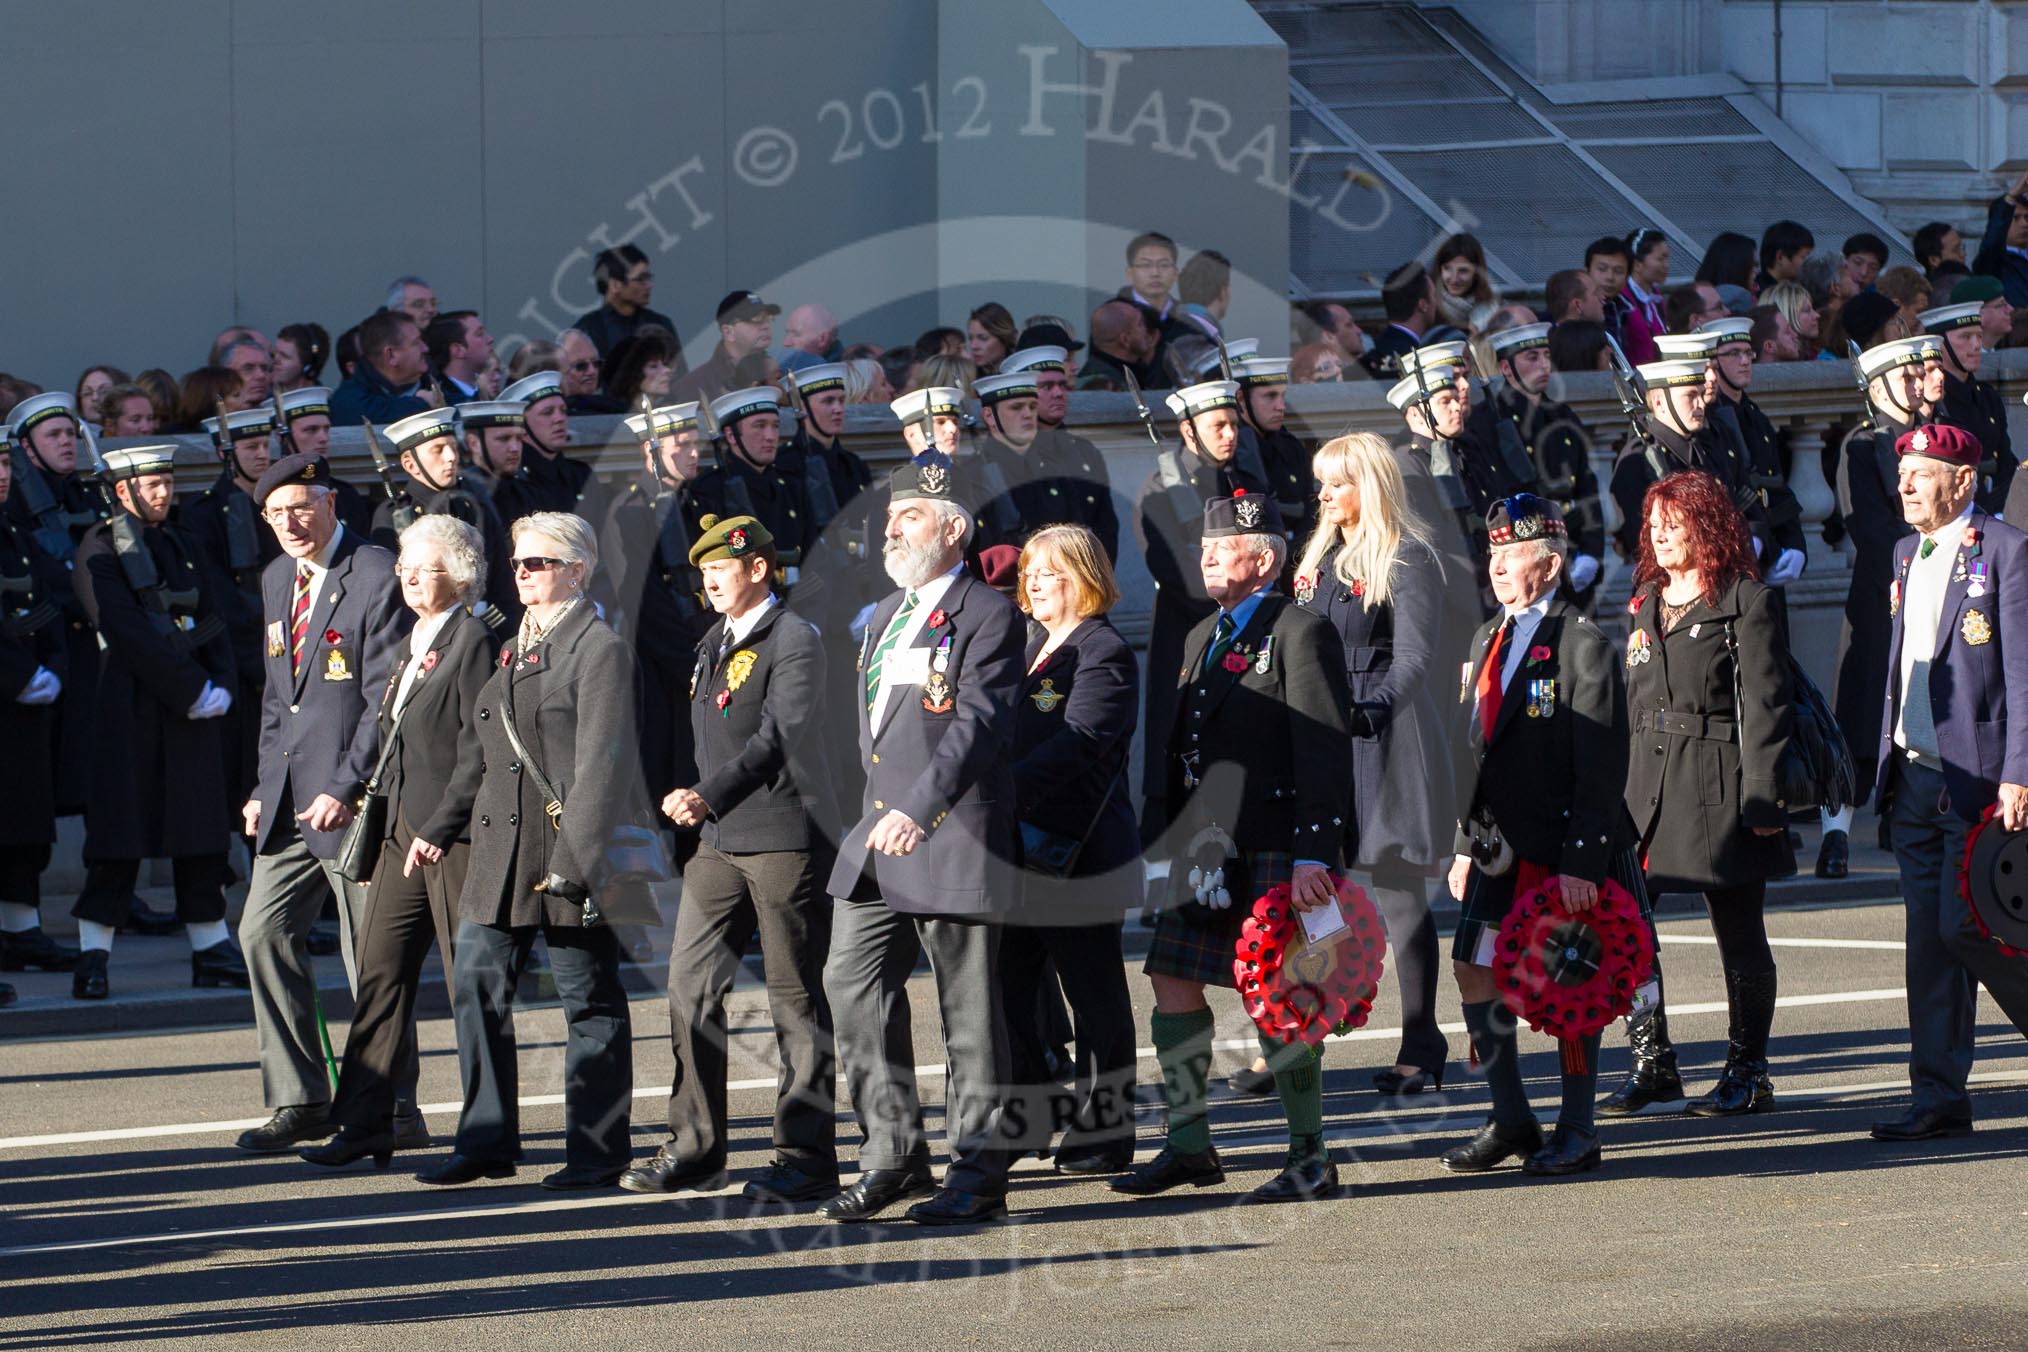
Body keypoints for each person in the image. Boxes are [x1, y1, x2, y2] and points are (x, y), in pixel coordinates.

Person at [1110, 488, 1351, 1202]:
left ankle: (1311, 1154)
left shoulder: (1298, 631)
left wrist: (1315, 853)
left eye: (1223, 546)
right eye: (1205, 546)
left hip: (1274, 842)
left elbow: (1323, 749)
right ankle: (1189, 1146)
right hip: (1204, 850)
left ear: (1266, 556)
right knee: (1172, 981)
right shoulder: (1198, 634)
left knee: (1280, 997)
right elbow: (1176, 750)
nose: (1207, 555)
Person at [411, 512, 649, 1189]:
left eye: (537, 563)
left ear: (577, 569)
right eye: (517, 564)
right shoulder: (518, 640)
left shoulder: (597, 646)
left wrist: (573, 867)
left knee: (589, 1002)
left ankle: (597, 1153)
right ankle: (485, 1140)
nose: (522, 574)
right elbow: (483, 753)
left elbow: (601, 768)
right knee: (475, 987)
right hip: (500, 851)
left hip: (566, 853)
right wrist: (439, 826)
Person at [817, 453, 1026, 1226]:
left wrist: (921, 806)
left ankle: (977, 1172)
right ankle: (891, 1155)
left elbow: (977, 724)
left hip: (950, 835)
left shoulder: (987, 614)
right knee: (851, 982)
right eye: (890, 516)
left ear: (952, 528)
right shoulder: (882, 616)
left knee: (967, 1012)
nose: (890, 529)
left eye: (908, 516)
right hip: (876, 836)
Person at [621, 513, 841, 1203]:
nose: (710, 580)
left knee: (794, 1002)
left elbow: (778, 737)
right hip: (717, 843)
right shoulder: (713, 639)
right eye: (704, 571)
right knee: (690, 987)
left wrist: (703, 795)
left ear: (758, 569)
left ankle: (805, 1157)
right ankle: (694, 1147)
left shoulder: (794, 638)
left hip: (781, 837)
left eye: (723, 568)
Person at [1442, 494, 1643, 1177]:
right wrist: (1464, 844)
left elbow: (1602, 763)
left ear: (1550, 563)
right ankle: (1510, 1117)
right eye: (1492, 552)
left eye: (1512, 553)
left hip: (1563, 846)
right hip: (1498, 843)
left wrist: (1583, 862)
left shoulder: (1582, 641)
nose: (1496, 564)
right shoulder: (1485, 637)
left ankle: (1579, 1129)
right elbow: (1475, 749)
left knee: (1569, 982)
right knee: (1472, 966)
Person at [300, 516, 495, 1169]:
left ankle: (484, 1133)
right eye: (406, 567)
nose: (411, 578)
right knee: (380, 970)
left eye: (427, 567)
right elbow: (389, 739)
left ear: (460, 575)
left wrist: (441, 827)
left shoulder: (474, 639)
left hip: (453, 834)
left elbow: (479, 745)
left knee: (469, 982)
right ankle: (366, 1124)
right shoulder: (416, 637)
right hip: (399, 833)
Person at [234, 454, 410, 1155]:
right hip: (290, 802)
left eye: (301, 507)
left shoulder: (373, 572)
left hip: (355, 798)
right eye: (275, 515)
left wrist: (347, 785)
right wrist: (259, 788)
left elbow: (384, 697)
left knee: (370, 956)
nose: (290, 524)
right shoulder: (278, 579)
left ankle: (391, 1106)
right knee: (261, 932)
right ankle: (301, 1096)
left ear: (330, 502)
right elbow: (279, 700)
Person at [1605, 472, 1795, 1119]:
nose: (1658, 536)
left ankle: (1749, 1072)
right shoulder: (1645, 601)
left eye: (1673, 523)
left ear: (1707, 526)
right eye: (1652, 525)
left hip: (1718, 787)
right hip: (1645, 792)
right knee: (1624, 927)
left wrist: (1765, 799)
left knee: (1738, 933)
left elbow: (1766, 707)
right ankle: (1653, 1063)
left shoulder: (1747, 600)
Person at [1870, 422, 2028, 1141]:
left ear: (1961, 481)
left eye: (1921, 472)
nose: (1904, 485)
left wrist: (2021, 774)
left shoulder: (2007, 551)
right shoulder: (1906, 552)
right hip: (1913, 777)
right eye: (1903, 472)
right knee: (1926, 942)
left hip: (1979, 780)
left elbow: (2024, 677)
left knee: (1968, 926)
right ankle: (1937, 1094)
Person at [1288, 433, 1455, 1097]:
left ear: (1372, 486)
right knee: (1317, 888)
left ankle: (1422, 1043)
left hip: (1384, 733)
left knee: (1397, 893)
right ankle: (1304, 1032)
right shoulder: (1320, 559)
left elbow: (1415, 657)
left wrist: (1370, 711)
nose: (1323, 496)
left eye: (1336, 483)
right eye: (1320, 483)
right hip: (1323, 729)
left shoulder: (1407, 556)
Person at [65, 445, 244, 999]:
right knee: (119, 842)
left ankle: (210, 947)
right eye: (151, 484)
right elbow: (125, 630)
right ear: (122, 492)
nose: (163, 492)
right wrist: (191, 689)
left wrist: (221, 688)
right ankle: (93, 956)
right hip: (128, 712)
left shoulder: (181, 542)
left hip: (191, 712)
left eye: (167, 480)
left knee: (200, 836)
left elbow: (215, 617)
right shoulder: (101, 548)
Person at [994, 524, 1141, 1172]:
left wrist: (997, 787)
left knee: (1095, 995)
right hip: (1020, 850)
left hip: (1079, 854)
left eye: (1047, 572)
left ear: (1082, 577)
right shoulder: (1031, 642)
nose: (1032, 583)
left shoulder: (1102, 648)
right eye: (1029, 572)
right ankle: (1035, 1112)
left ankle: (1106, 1131)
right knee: (1009, 987)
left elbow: (1082, 740)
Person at [1133, 380, 1269, 845]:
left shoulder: (1241, 478)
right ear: (1189, 431)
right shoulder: (1161, 487)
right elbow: (1176, 571)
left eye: (1233, 423)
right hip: (1189, 633)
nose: (1230, 434)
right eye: (1218, 425)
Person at [1829, 337, 1930, 869]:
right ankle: (1837, 834)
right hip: (1880, 595)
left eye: (1918, 377)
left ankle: (1900, 815)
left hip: (1925, 586)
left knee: (1913, 708)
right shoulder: (1864, 445)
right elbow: (1868, 526)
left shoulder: (1923, 440)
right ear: (1879, 385)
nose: (1917, 386)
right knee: (1864, 713)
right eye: (1906, 378)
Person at [598, 401, 714, 856]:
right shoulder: (630, 509)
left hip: (700, 650)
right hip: (664, 663)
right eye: (680, 445)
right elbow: (641, 600)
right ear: (651, 452)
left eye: (694, 444)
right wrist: (695, 657)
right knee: (668, 769)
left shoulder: (697, 499)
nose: (692, 453)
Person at [3, 394, 102, 834]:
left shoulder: (84, 490)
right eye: (54, 435)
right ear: (27, 448)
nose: (67, 443)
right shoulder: (17, 507)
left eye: (70, 434)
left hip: (91, 651)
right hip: (49, 654)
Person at [183, 407, 281, 838]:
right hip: (238, 663)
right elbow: (218, 595)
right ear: (227, 453)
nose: (263, 455)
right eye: (251, 447)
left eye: (267, 445)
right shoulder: (204, 515)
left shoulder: (279, 505)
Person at [1466, 322, 1606, 606]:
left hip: (1570, 551)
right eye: (1532, 358)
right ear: (1506, 368)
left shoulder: (1563, 416)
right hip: (1522, 559)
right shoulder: (1486, 422)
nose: (1544, 365)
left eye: (1546, 355)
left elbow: (1587, 487)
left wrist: (1591, 553)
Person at [0, 441, 70, 992]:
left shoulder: (14, 534)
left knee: (24, 823)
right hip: (9, 693)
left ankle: (20, 928)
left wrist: (49, 668)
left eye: (4, 465)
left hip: (25, 710)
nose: (2, 476)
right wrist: (19, 675)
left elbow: (49, 601)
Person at [1700, 316, 1809, 589]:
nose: (1745, 361)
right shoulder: (1709, 422)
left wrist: (1795, 546)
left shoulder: (1755, 418)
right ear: (1712, 363)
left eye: (1748, 352)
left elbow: (1777, 487)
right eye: (1733, 354)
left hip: (1769, 555)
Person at [694, 386, 818, 582]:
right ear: (731, 435)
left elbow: (814, 550)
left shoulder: (791, 484)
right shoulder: (710, 489)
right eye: (759, 426)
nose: (770, 436)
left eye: (775, 426)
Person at [1921, 284, 2016, 513]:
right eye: (1965, 337)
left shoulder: (1987, 396)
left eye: (1979, 336)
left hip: (1997, 506)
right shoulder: (1933, 400)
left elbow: (2005, 461)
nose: (1976, 345)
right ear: (1939, 344)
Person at [1233, 354, 1314, 552]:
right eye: (1270, 396)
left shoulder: (1290, 446)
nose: (1281, 406)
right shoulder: (1231, 450)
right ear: (1241, 399)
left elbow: (1310, 507)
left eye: (1282, 395)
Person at [499, 371, 599, 520]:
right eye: (547, 412)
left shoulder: (581, 475)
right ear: (521, 426)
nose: (559, 418)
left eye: (563, 411)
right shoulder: (512, 485)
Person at [573, 244, 682, 362]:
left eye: (648, 277)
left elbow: (681, 376)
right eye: (640, 279)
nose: (649, 285)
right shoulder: (586, 331)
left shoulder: (661, 324)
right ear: (615, 285)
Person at [671, 291, 781, 406]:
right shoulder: (693, 387)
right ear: (728, 332)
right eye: (756, 319)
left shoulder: (777, 371)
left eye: (768, 318)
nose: (766, 325)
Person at [1361, 260, 1439, 380]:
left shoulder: (1371, 352)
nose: (1436, 302)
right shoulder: (1418, 360)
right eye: (1434, 296)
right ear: (1423, 305)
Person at [1619, 227, 1672, 364]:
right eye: (1661, 259)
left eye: (1667, 258)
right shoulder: (1621, 299)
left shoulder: (1655, 296)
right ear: (1637, 264)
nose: (1666, 265)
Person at [424, 311, 495, 404]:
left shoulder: (484, 394)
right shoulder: (441, 402)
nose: (490, 339)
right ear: (458, 350)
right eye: (480, 334)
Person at [1435, 233, 1495, 333]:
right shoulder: (1427, 306)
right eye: (1447, 269)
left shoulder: (1492, 309)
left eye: (1463, 270)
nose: (1454, 279)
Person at [272, 323, 330, 394]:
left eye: (284, 356)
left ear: (307, 367)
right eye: (274, 353)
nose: (275, 360)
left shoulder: (326, 403)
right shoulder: (263, 401)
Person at [966, 302, 1018, 375]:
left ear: (1004, 338)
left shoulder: (1023, 376)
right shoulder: (967, 378)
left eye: (983, 338)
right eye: (970, 338)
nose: (973, 346)